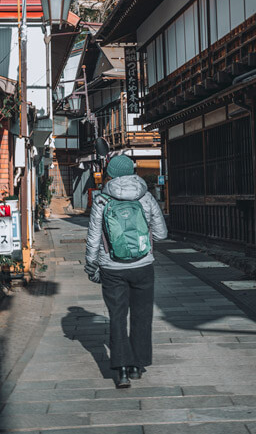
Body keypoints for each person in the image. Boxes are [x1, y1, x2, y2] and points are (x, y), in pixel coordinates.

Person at [85, 154, 167, 388]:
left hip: (111, 268)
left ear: (110, 173)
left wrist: (91, 266)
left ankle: (120, 370)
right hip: (143, 266)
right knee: (142, 316)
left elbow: (93, 239)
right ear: (133, 171)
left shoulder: (101, 199)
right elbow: (161, 234)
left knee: (117, 317)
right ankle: (137, 366)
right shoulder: (146, 197)